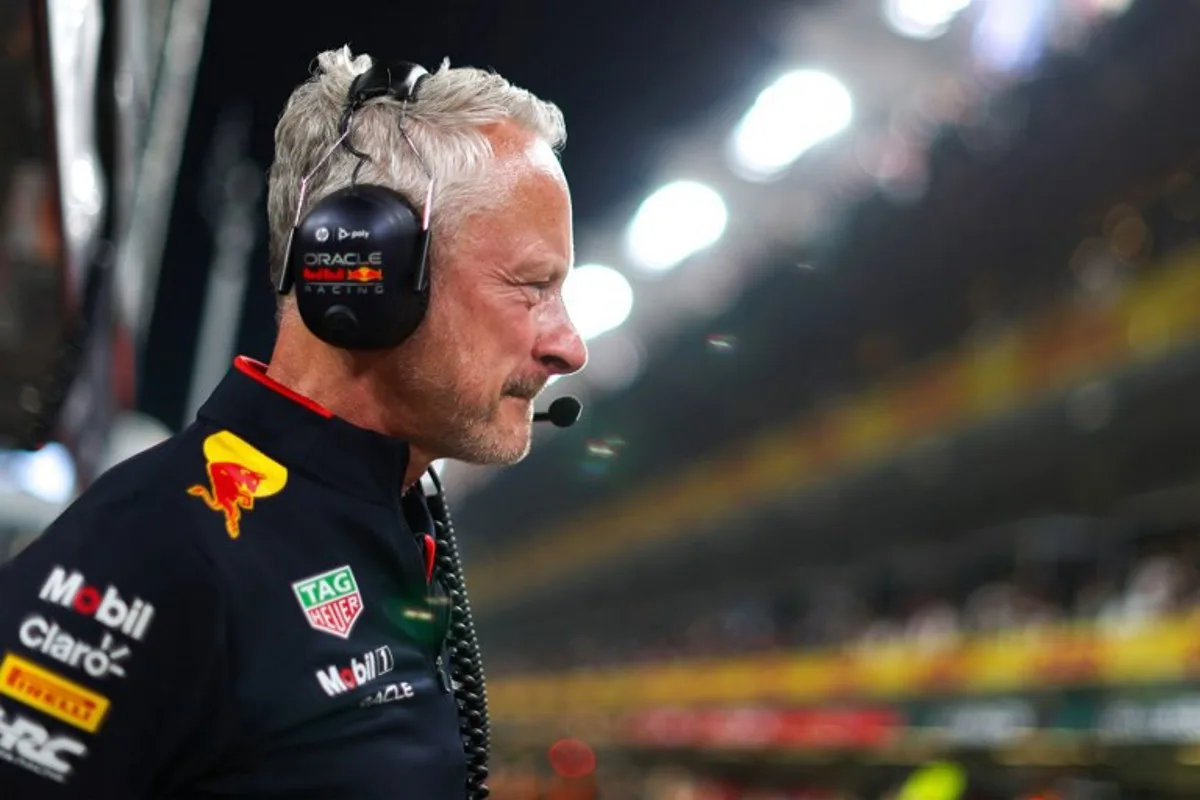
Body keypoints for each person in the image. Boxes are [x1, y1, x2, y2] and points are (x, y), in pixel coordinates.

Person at [0, 46, 586, 799]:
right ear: (366, 267)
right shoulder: (152, 551)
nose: (569, 345)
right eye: (532, 287)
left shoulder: (387, 521)